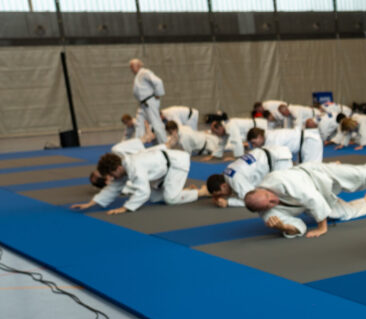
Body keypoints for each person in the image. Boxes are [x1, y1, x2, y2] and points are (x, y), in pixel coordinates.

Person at [244, 160, 366, 238]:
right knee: (344, 214)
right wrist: (284, 227)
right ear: (262, 211)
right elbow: (299, 227)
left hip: (317, 175)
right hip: (317, 199)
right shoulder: (269, 216)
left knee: (359, 176)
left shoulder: (276, 180)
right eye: (269, 204)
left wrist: (322, 227)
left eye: (268, 196)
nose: (273, 200)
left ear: (261, 189)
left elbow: (311, 197)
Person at [70, 149, 205, 214]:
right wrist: (91, 203)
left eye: (111, 174)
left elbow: (143, 192)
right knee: (155, 197)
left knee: (170, 199)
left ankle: (202, 192)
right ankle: (183, 191)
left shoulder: (134, 167)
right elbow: (113, 188)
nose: (112, 178)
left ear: (117, 168)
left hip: (177, 164)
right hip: (164, 169)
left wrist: (125, 207)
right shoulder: (123, 165)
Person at [206, 145, 294, 208]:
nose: (224, 196)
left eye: (221, 194)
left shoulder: (235, 179)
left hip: (279, 161)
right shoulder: (228, 172)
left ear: (223, 186)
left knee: (288, 195)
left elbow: (252, 199)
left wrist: (228, 202)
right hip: (273, 152)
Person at [130, 59, 167, 144]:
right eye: (130, 67)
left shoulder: (145, 72)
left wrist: (158, 93)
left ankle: (164, 143)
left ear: (138, 65)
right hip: (142, 103)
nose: (131, 69)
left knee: (155, 122)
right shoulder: (138, 76)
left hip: (149, 101)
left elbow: (158, 81)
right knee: (139, 123)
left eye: (132, 66)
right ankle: (138, 144)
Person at [247, 123, 323, 164]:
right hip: (303, 144)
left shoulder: (273, 140)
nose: (254, 146)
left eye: (254, 143)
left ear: (260, 137)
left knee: (312, 170)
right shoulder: (268, 136)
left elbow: (278, 159)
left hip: (310, 142)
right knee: (302, 170)